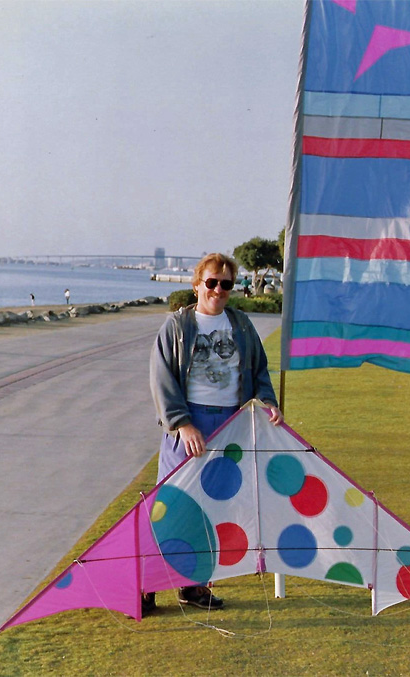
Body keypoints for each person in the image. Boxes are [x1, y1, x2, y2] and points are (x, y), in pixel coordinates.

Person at [149, 253, 283, 614]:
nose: (219, 290)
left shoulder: (240, 325)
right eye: (212, 282)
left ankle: (193, 587)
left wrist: (268, 401)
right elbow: (161, 379)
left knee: (211, 508)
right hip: (188, 426)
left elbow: (259, 368)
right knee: (172, 506)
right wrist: (182, 423)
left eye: (227, 284)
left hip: (228, 427)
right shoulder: (177, 327)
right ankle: (148, 583)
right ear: (197, 285)